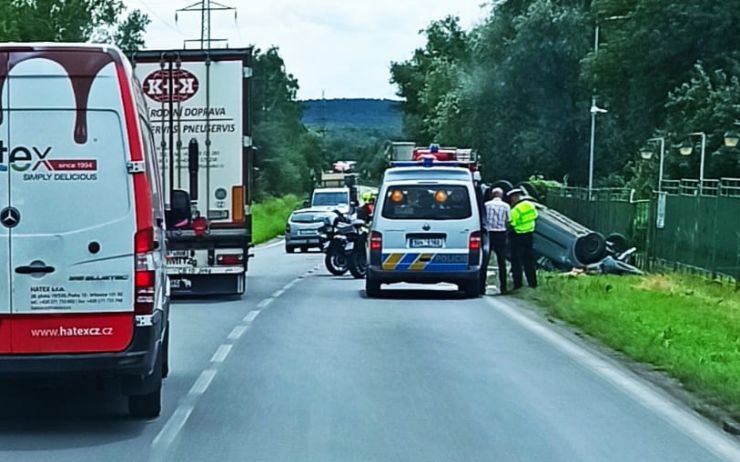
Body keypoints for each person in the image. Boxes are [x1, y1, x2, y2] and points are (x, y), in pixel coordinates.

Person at [508, 188, 538, 289]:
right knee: (529, 261)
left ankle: (518, 284)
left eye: (511, 198)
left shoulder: (515, 210)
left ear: (514, 197)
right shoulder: (530, 205)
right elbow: (535, 216)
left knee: (517, 261)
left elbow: (512, 223)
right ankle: (532, 283)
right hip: (529, 235)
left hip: (518, 236)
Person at [484, 187, 511, 294]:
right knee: (501, 261)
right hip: (501, 234)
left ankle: (481, 286)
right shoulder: (506, 206)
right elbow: (508, 220)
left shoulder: (486, 205)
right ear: (501, 195)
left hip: (488, 234)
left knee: (485, 261)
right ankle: (503, 287)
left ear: (492, 195)